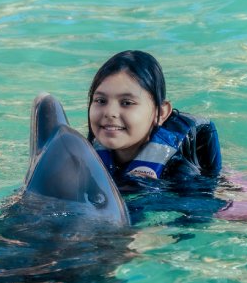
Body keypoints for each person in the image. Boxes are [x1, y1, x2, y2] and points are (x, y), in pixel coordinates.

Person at [87, 50, 221, 186]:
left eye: (127, 103)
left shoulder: (180, 173)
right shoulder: (84, 156)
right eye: (101, 100)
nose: (110, 112)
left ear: (161, 113)